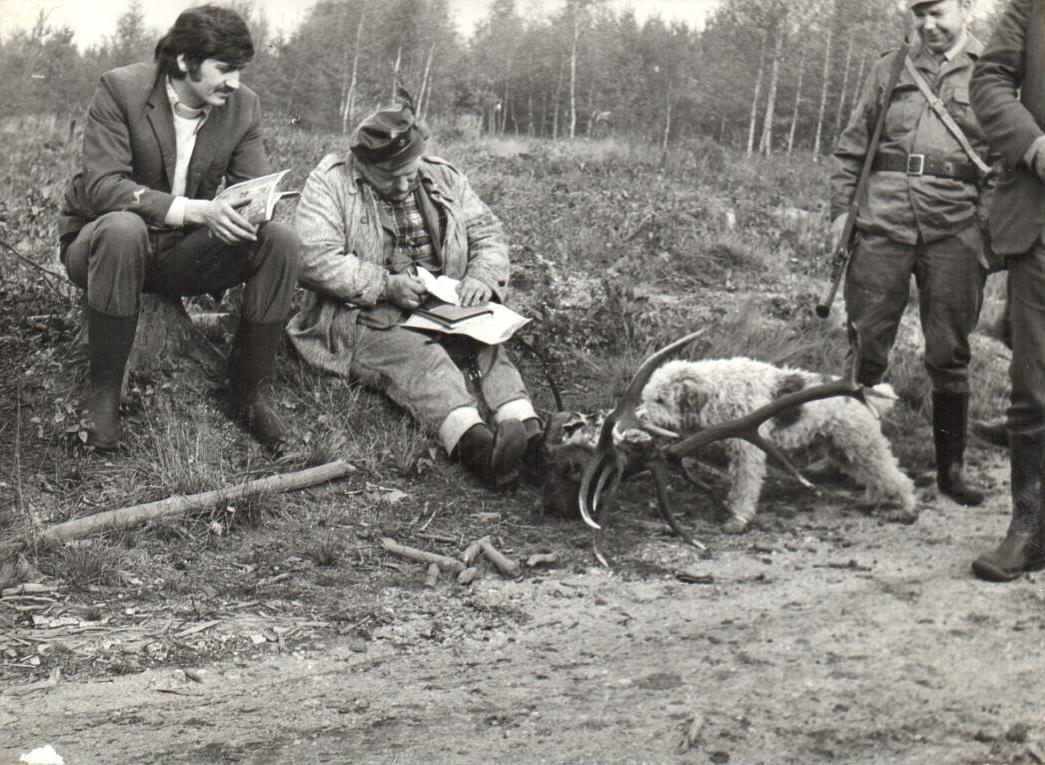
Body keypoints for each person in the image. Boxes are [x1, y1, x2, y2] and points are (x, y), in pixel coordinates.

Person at [58, 5, 300, 452]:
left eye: (240, 71)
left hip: (180, 254)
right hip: (102, 246)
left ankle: (249, 393)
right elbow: (103, 187)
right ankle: (104, 394)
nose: (235, 83)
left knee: (279, 241)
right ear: (186, 61)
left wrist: (247, 209)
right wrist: (194, 211)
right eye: (224, 69)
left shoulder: (242, 107)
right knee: (123, 227)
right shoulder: (121, 88)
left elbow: (251, 186)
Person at [287, 102, 541, 489]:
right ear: (363, 165)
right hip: (366, 312)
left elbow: (487, 232)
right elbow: (313, 259)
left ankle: (530, 437)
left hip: (445, 305)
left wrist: (481, 277)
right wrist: (385, 284)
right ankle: (480, 449)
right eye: (391, 177)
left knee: (487, 346)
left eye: (411, 174)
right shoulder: (330, 184)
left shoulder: (443, 176)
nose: (405, 185)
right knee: (422, 359)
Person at [831, 0, 992, 507]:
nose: (929, 24)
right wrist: (841, 212)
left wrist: (984, 228)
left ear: (966, 8)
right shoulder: (892, 66)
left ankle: (952, 469)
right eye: (920, 13)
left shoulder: (993, 72)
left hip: (956, 229)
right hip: (883, 222)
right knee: (866, 340)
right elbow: (854, 144)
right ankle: (851, 457)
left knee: (949, 350)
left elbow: (1005, 160)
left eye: (939, 12)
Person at [969, 0, 1045, 581]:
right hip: (1039, 223)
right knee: (1033, 383)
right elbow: (989, 78)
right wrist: (1032, 144)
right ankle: (1028, 527)